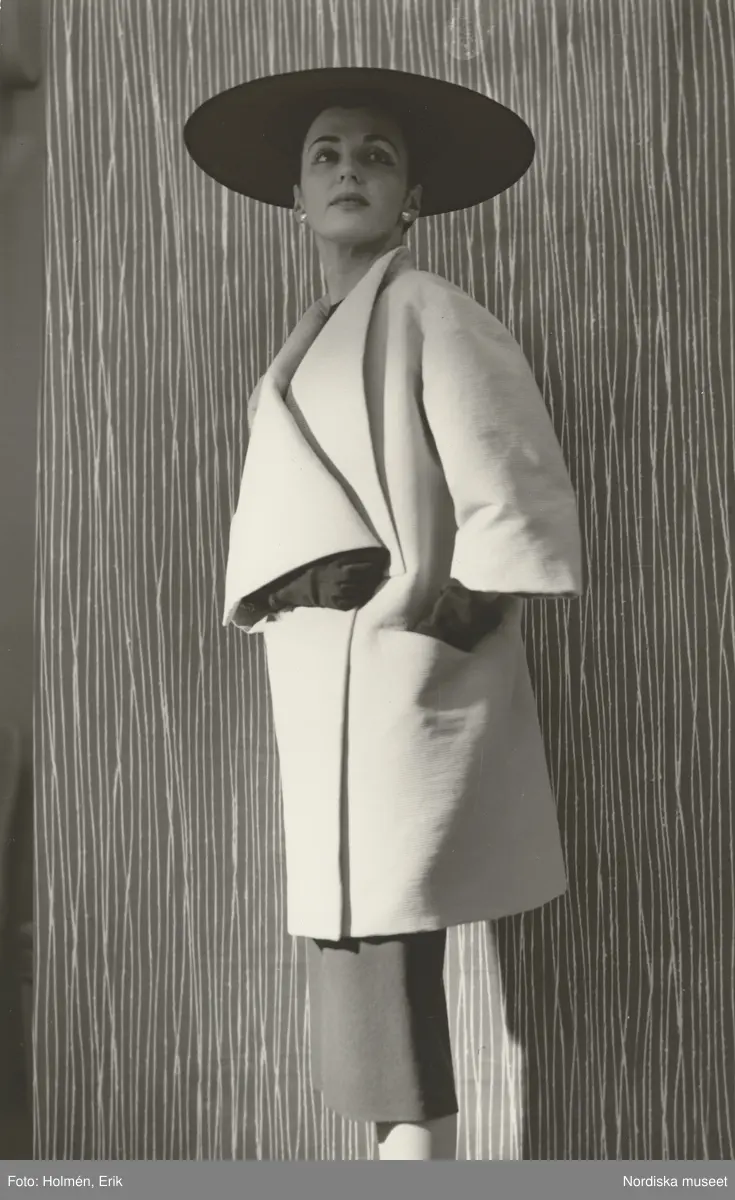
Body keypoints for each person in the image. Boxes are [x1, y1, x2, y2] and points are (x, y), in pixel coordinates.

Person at [184, 66, 583, 1161]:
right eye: (325, 154)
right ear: (296, 196)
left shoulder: (429, 310)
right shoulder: (305, 342)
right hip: (320, 686)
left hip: (396, 682)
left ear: (412, 196)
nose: (349, 170)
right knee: (352, 954)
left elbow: (513, 485)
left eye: (376, 155)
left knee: (388, 957)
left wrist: (436, 614)